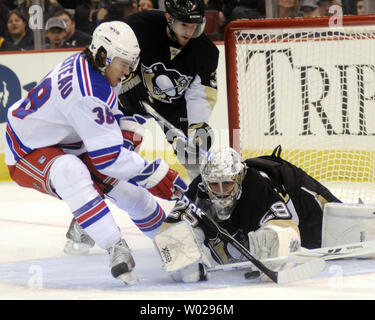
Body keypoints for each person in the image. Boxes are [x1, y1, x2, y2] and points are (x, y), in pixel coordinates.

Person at [5, 20, 187, 285]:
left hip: (67, 139)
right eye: (124, 64)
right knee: (71, 171)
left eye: (130, 64)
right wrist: (157, 175)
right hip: (27, 149)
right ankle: (114, 245)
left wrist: (127, 133)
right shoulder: (86, 89)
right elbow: (108, 158)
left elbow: (106, 124)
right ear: (103, 54)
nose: (127, 72)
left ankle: (174, 244)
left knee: (124, 186)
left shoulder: (96, 68)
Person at [155, 146, 342, 282]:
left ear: (239, 178)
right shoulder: (199, 190)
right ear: (205, 181)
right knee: (185, 268)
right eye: (214, 185)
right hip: (240, 232)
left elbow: (287, 224)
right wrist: (183, 251)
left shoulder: (254, 185)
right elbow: (169, 231)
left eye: (227, 184)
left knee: (323, 233)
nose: (221, 191)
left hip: (300, 208)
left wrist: (276, 236)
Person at [117, 0, 219, 180]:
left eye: (195, 26)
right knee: (120, 139)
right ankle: (115, 179)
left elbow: (199, 93)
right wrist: (121, 81)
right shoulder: (140, 26)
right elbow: (111, 49)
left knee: (193, 155)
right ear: (168, 19)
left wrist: (197, 125)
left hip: (175, 106)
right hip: (134, 90)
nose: (189, 32)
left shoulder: (205, 51)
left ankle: (202, 193)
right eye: (184, 25)